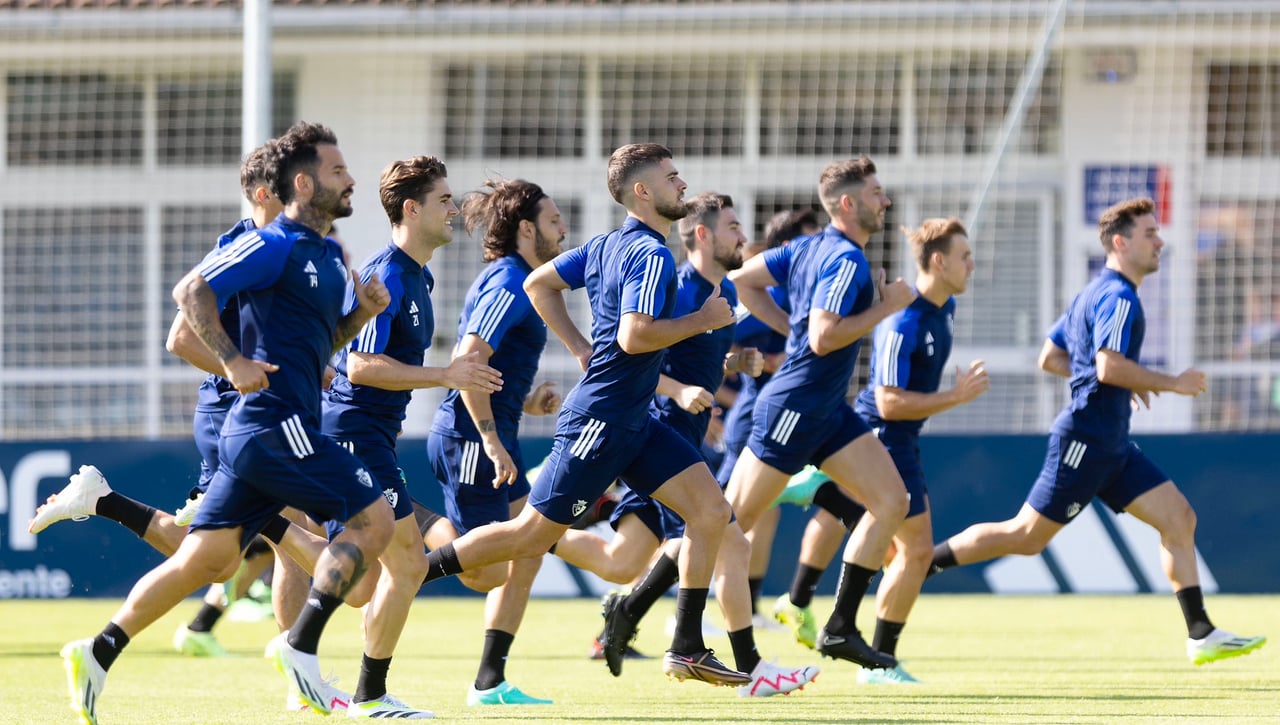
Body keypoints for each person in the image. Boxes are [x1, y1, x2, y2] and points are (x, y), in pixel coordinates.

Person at [59, 121, 397, 725]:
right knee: (374, 522)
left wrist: (357, 317)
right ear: (303, 182)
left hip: (268, 431)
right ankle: (299, 647)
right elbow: (190, 292)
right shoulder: (274, 242)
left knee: (205, 561)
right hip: (271, 425)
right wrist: (232, 360)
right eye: (338, 171)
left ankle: (97, 650)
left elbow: (320, 352)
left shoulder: (327, 254)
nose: (350, 180)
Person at [421, 143, 748, 687]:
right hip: (599, 422)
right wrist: (704, 320)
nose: (683, 185)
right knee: (527, 537)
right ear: (642, 192)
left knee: (711, 513)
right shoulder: (650, 253)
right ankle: (416, 571)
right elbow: (633, 335)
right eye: (672, 178)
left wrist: (577, 345)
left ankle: (686, 646)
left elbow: (539, 283)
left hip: (635, 422)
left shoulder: (605, 246)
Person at [928, 197, 1266, 666]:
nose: (1160, 241)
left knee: (1179, 519)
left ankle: (1200, 632)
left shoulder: (1095, 292)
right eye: (1150, 234)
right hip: (1085, 443)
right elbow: (1107, 366)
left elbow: (1053, 357)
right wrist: (1171, 382)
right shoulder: (1119, 297)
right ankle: (923, 561)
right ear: (1121, 243)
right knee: (1025, 537)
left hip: (1112, 444)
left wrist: (1111, 378)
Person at [28, 145, 314, 669]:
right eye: (301, 183)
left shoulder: (289, 252)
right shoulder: (243, 248)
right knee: (288, 534)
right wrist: (239, 370)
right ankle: (303, 670)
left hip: (254, 412)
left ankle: (102, 501)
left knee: (214, 558)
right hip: (235, 413)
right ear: (264, 194)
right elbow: (180, 339)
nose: (309, 193)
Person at [553, 192, 819, 697]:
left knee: (624, 561)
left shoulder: (717, 295)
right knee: (730, 542)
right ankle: (752, 670)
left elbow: (692, 356)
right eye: (735, 227)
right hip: (659, 440)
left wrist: (735, 366)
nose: (744, 236)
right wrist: (679, 391)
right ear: (702, 234)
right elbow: (636, 362)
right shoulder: (676, 291)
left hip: (680, 444)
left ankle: (615, 600)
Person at [320, 155, 504, 718]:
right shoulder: (388, 275)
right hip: (354, 430)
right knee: (406, 566)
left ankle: (272, 527)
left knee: (363, 583)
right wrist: (447, 374)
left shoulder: (418, 275)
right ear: (411, 208)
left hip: (372, 434)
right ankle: (370, 697)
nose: (454, 209)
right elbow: (361, 366)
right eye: (444, 200)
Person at [724, 155, 915, 671]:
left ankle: (840, 628)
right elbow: (824, 335)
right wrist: (888, 305)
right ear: (849, 203)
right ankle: (632, 605)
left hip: (825, 409)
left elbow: (742, 280)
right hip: (794, 405)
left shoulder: (807, 247)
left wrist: (786, 324)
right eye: (876, 193)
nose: (886, 200)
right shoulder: (846, 260)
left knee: (891, 501)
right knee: (726, 524)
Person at [425, 177, 565, 706]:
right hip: (470, 438)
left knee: (529, 545)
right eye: (554, 221)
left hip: (495, 432)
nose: (564, 228)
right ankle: (410, 538)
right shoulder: (509, 281)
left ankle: (490, 680)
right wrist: (489, 437)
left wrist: (523, 405)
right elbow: (468, 362)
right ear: (526, 229)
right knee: (486, 573)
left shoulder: (524, 280)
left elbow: (490, 371)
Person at [844, 217, 988, 684]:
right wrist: (956, 397)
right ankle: (879, 662)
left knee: (908, 554)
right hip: (881, 434)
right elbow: (887, 401)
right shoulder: (903, 320)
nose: (972, 265)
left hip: (901, 437)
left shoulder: (943, 309)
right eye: (964, 257)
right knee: (916, 550)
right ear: (940, 261)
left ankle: (878, 659)